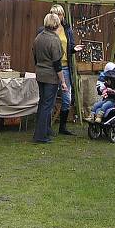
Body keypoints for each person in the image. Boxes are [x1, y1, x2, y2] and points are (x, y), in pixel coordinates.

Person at [36, 4, 83, 136]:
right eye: (53, 13)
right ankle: (46, 129)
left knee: (66, 98)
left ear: (62, 16)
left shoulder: (67, 29)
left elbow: (69, 46)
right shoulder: (43, 32)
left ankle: (62, 127)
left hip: (65, 67)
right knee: (48, 99)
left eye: (59, 14)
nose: (56, 16)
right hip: (51, 68)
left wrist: (73, 49)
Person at [32, 13, 69, 144]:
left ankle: (42, 131)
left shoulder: (38, 38)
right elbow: (57, 64)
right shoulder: (54, 40)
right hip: (50, 76)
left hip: (40, 74)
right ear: (56, 24)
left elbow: (35, 57)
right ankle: (41, 136)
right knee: (47, 106)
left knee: (42, 103)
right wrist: (63, 81)